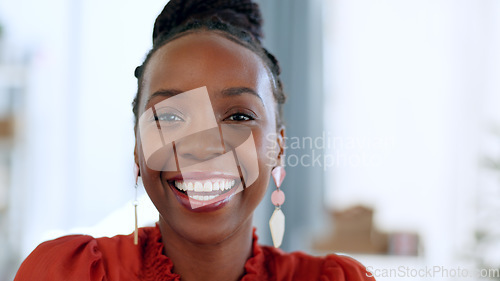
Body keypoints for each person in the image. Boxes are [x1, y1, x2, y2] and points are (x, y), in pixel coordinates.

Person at [14, 0, 374, 280]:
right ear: (138, 147)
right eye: (169, 117)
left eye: (238, 116)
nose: (201, 147)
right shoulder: (68, 273)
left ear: (278, 146)